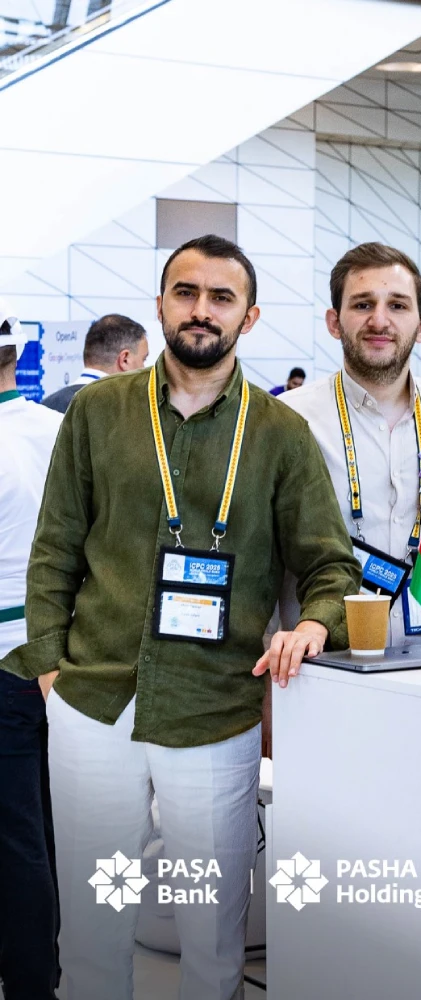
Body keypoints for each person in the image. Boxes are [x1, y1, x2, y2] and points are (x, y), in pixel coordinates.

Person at [0, 234, 361, 999]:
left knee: (213, 940)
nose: (202, 309)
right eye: (186, 292)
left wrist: (314, 623)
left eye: (221, 297)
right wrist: (51, 671)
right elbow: (55, 547)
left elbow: (330, 564)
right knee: (92, 932)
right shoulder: (98, 411)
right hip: (93, 701)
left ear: (249, 316)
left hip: (214, 709)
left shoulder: (280, 433)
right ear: (161, 304)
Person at [279, 242, 421, 644]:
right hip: (324, 660)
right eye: (363, 305)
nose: (379, 320)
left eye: (397, 305)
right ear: (334, 322)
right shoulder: (289, 418)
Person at [0, 299, 62, 1000]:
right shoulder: (57, 429)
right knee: (42, 828)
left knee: (15, 839)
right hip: (57, 658)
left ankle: (28, 982)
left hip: (5, 663)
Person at [41, 312, 148, 413]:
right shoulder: (122, 412)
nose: (144, 368)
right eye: (143, 359)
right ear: (124, 360)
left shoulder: (46, 406)